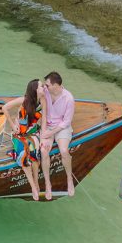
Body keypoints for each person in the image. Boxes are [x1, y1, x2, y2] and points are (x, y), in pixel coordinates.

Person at [2, 79, 46, 201]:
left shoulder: (42, 101)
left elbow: (44, 118)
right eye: (42, 86)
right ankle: (32, 187)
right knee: (24, 154)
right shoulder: (23, 100)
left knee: (35, 154)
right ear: (35, 90)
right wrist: (12, 125)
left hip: (33, 133)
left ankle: (36, 183)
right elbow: (4, 108)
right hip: (19, 134)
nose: (44, 88)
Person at [40, 71, 75, 199]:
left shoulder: (68, 98)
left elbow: (66, 122)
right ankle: (47, 184)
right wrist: (45, 132)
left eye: (47, 84)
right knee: (44, 151)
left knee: (64, 150)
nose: (45, 86)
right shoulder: (45, 91)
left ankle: (69, 179)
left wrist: (51, 132)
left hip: (61, 128)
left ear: (56, 85)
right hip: (47, 125)